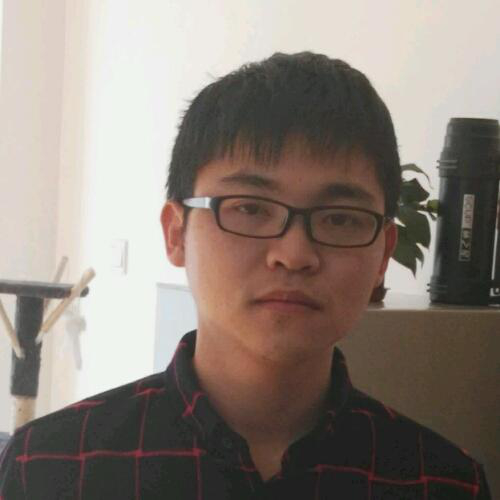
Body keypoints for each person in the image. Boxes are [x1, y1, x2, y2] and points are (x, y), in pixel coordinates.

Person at [0, 52, 491, 499]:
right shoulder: (51, 468)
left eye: (340, 218)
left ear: (383, 253)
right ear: (177, 233)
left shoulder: (441, 483)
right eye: (250, 208)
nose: (294, 255)